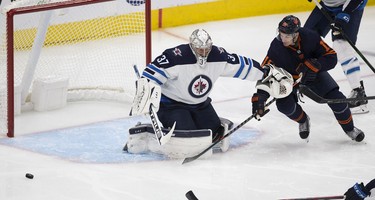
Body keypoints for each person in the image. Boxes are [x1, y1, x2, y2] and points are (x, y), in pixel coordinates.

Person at [124, 29, 288, 158]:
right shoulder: (176, 57)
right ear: (192, 46)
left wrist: (265, 72)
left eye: (206, 49)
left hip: (200, 105)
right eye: (199, 49)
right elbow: (152, 74)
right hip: (172, 105)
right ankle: (146, 133)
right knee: (186, 138)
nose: (203, 52)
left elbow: (241, 66)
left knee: (215, 133)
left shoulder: (218, 56)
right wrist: (147, 87)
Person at [252, 15, 365, 142]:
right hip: (290, 81)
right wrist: (260, 97)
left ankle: (349, 129)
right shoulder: (276, 47)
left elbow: (331, 56)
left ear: (296, 34)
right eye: (281, 34)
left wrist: (316, 65)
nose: (283, 39)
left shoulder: (310, 37)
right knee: (284, 106)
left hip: (313, 75)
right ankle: (304, 120)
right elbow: (265, 72)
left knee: (338, 100)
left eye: (287, 36)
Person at [304, 0, 369, 114]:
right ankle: (301, 78)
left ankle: (358, 93)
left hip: (351, 5)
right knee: (305, 38)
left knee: (342, 46)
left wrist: (346, 13)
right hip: (328, 5)